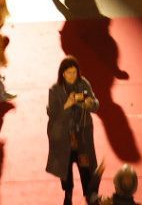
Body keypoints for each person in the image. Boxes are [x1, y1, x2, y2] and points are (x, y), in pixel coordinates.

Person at [46, 57, 100, 205]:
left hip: (82, 133)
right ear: (62, 73)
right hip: (65, 136)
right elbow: (52, 114)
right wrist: (67, 105)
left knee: (86, 165)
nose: (72, 75)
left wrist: (89, 104)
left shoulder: (84, 83)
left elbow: (96, 104)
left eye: (74, 72)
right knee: (66, 167)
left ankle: (89, 193)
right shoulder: (55, 90)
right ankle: (68, 193)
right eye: (68, 72)